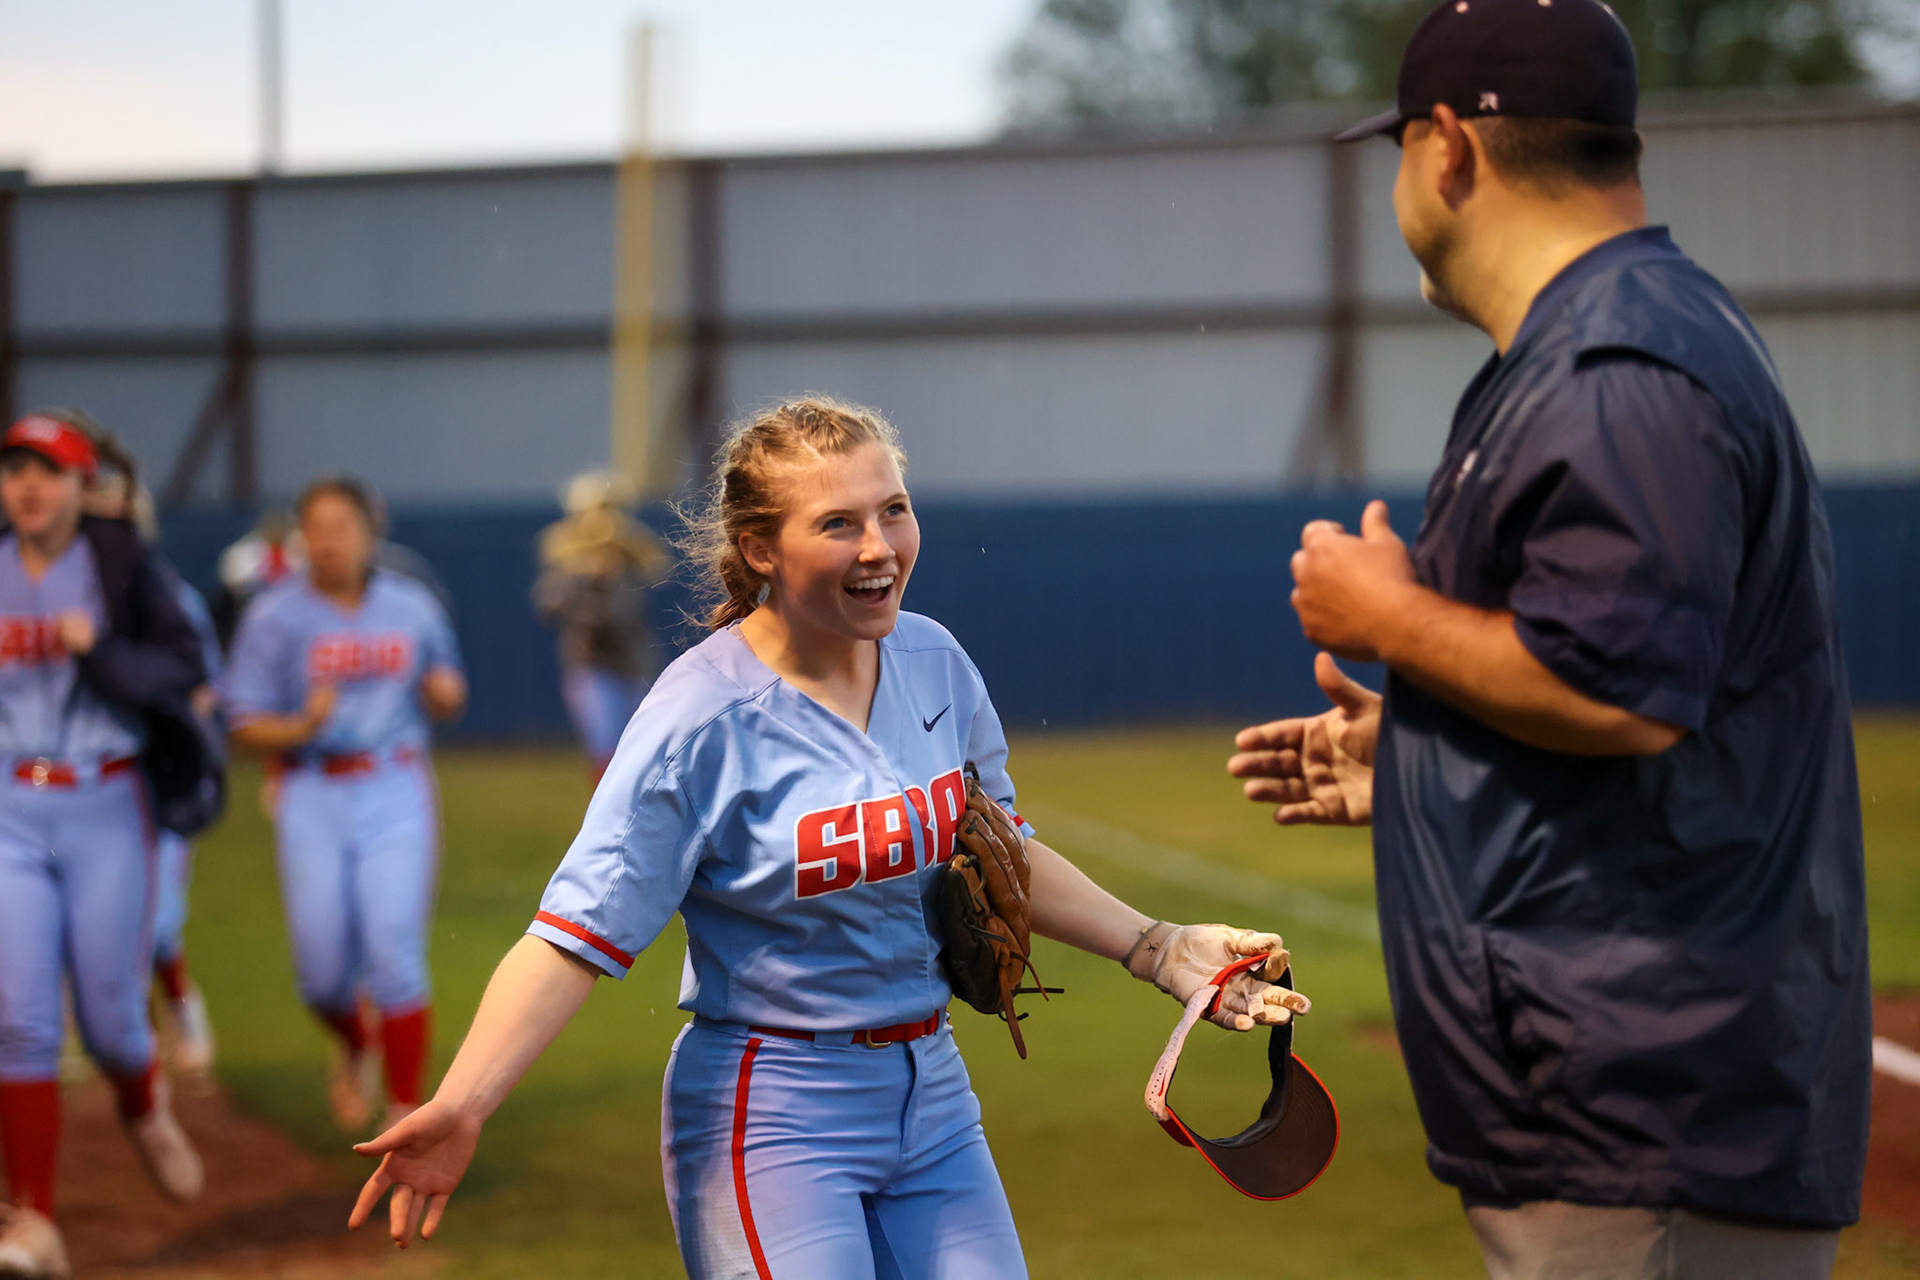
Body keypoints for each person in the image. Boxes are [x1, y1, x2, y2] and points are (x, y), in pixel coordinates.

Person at [347, 397, 1310, 1277]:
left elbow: (1002, 854)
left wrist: (1161, 948)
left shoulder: (933, 660)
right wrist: (464, 1103)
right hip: (774, 1113)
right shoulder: (701, 720)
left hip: (933, 1096)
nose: (879, 545)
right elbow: (573, 938)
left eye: (892, 509)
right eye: (838, 523)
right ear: (759, 547)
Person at [1228, 3, 1870, 1277]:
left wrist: (1388, 617)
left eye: (1401, 147)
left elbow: (1624, 692)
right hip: (1622, 1099)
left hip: (1645, 1112)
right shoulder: (1613, 337)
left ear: (1452, 149)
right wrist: (1426, 753)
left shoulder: (1616, 364)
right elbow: (1617, 674)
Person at [0, 412, 211, 1280]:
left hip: (106, 803)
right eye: (15, 469)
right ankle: (34, 1224)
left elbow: (183, 673)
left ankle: (144, 1099)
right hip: (11, 805)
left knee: (115, 1025)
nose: (28, 485)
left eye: (47, 470)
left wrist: (104, 653)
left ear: (83, 486)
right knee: (19, 1023)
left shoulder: (122, 565)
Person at [223, 476, 468, 1135]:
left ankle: (405, 1110)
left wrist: (443, 693)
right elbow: (240, 725)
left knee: (394, 953)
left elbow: (448, 689)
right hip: (311, 789)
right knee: (322, 977)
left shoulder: (410, 604)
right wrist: (300, 726)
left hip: (394, 785)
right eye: (317, 528)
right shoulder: (275, 614)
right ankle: (356, 1040)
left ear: (370, 530)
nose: (329, 541)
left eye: (342, 526)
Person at [83, 437, 224, 1075]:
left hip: (152, 782)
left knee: (158, 923)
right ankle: (110, 1030)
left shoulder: (171, 599)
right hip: (73, 790)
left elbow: (200, 693)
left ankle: (178, 1002)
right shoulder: (44, 598)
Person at [532, 468, 674, 779]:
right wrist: (582, 576)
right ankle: (607, 816)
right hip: (591, 664)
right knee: (605, 750)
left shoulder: (629, 555)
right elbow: (547, 606)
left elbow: (655, 573)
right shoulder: (567, 560)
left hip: (633, 663)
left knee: (642, 748)